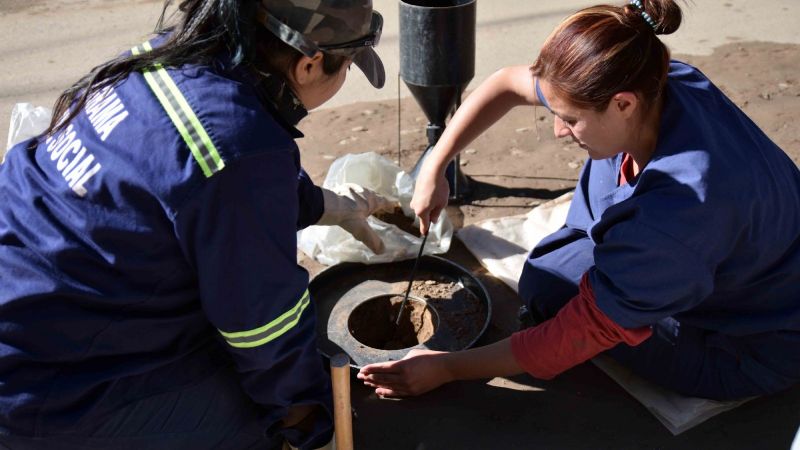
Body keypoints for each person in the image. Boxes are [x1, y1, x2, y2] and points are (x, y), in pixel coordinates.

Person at [358, 0, 800, 401]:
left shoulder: (679, 214)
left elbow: (580, 332)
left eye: (570, 120)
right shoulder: (657, 78)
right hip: (712, 263)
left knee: (552, 297)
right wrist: (436, 165)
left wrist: (448, 368)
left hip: (749, 343)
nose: (557, 131)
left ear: (623, 104)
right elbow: (509, 83)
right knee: (547, 277)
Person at [0, 0, 395, 448]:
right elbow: (264, 332)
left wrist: (326, 205)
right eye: (345, 67)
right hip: (44, 385)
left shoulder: (171, 54)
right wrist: (310, 417)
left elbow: (195, 175)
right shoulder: (240, 150)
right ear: (308, 65)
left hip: (27, 290)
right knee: (254, 418)